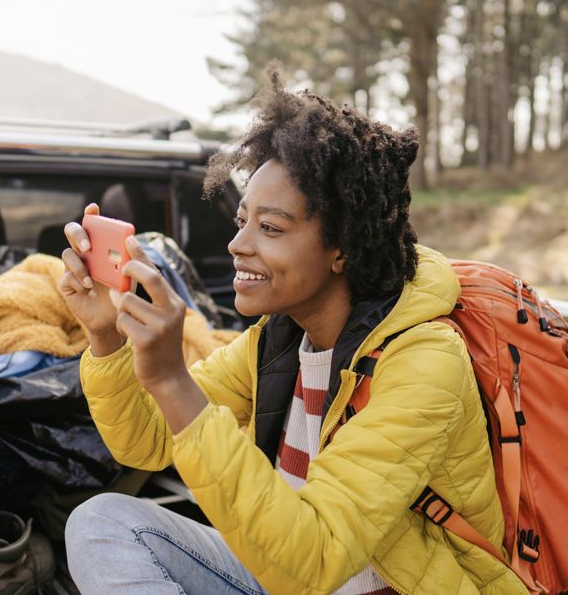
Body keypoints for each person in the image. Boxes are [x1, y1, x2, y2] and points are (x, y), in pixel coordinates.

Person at [59, 65, 527, 594]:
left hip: (344, 578)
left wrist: (172, 378)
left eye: (271, 228)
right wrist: (106, 337)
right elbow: (143, 443)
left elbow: (315, 559)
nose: (238, 245)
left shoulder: (424, 360)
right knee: (102, 523)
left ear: (342, 248)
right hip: (285, 571)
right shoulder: (277, 339)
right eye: (242, 221)